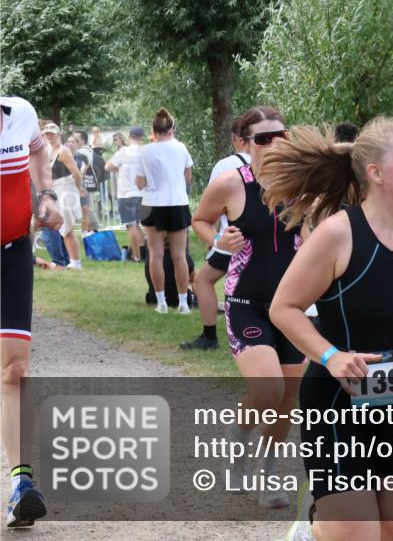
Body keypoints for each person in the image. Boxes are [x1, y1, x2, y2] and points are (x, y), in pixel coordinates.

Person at [266, 118, 393, 539]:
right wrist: (331, 355)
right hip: (336, 403)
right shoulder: (337, 234)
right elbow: (283, 308)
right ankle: (316, 529)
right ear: (375, 173)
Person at [192, 106, 306, 508]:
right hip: (245, 304)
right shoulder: (230, 184)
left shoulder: (300, 183)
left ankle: (269, 475)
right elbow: (201, 219)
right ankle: (238, 447)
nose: (274, 144)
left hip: (291, 308)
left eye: (281, 135)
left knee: (288, 397)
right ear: (244, 143)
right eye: (263, 138)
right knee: (268, 387)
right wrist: (218, 242)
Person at [2, 94, 63, 528]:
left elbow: (40, 152)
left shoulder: (18, 113)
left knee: (14, 370)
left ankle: (21, 485)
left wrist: (47, 194)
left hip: (13, 253)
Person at [182, 116, 251, 350]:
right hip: (265, 239)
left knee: (203, 280)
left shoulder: (226, 165)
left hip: (234, 237)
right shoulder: (279, 163)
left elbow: (210, 205)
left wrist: (214, 239)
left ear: (236, 139)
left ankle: (209, 336)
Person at [137, 108, 194, 314]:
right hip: (177, 202)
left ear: (153, 130)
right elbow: (188, 178)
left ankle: (161, 302)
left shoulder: (144, 151)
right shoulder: (181, 148)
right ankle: (183, 302)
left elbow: (140, 182)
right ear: (172, 128)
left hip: (152, 204)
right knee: (179, 255)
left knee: (156, 254)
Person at [42, 123, 84, 269]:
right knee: (63, 227)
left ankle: (75, 262)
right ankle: (72, 261)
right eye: (47, 133)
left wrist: (79, 188)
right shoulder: (48, 151)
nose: (49, 136)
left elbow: (76, 172)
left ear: (58, 134)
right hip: (55, 189)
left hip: (66, 189)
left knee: (67, 227)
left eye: (52, 133)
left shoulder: (63, 150)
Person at [106, 126, 146, 261]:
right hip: (144, 193)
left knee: (131, 225)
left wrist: (119, 168)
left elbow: (108, 166)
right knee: (142, 226)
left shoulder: (124, 151)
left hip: (126, 193)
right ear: (142, 137)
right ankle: (146, 253)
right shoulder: (146, 152)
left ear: (129, 137)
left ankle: (136, 256)